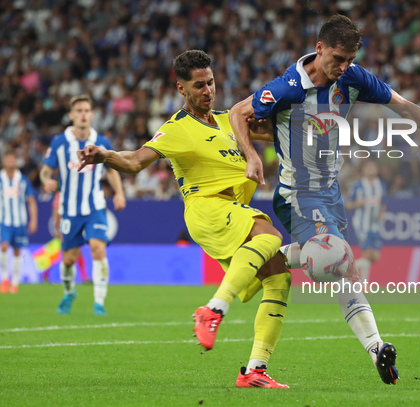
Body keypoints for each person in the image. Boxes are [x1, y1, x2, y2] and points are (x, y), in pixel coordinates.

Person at [229, 14, 420, 385]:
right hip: (298, 196)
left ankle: (376, 349)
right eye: (338, 58)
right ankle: (261, 259)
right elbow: (237, 113)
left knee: (347, 273)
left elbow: (405, 106)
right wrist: (253, 156)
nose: (344, 66)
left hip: (332, 194)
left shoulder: (352, 77)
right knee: (329, 262)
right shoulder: (288, 87)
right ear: (319, 49)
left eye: (350, 59)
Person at [77, 50, 292, 389]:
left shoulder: (228, 121)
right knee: (269, 236)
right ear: (181, 89)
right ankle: (213, 310)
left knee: (279, 276)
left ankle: (254, 370)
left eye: (211, 83)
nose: (208, 91)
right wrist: (104, 155)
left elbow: (281, 130)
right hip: (207, 208)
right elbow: (134, 161)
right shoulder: (177, 129)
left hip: (231, 211)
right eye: (198, 86)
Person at [40, 94, 126, 316]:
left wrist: (119, 192)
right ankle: (69, 292)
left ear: (92, 115)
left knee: (98, 249)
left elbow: (112, 169)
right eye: (78, 111)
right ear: (71, 115)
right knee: (68, 260)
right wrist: (45, 180)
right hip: (69, 210)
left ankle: (99, 303)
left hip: (95, 207)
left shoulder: (102, 142)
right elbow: (46, 169)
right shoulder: (60, 142)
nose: (83, 115)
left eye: (87, 110)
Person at [0, 151, 38, 294]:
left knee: (17, 251)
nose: (9, 162)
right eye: (7, 159)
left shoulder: (22, 180)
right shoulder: (0, 179)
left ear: (16, 162)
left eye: (12, 159)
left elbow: (31, 200)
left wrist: (33, 220)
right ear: (4, 161)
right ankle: (4, 278)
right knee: (3, 246)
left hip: (20, 222)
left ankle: (14, 281)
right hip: (4, 221)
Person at [345, 160, 386, 283]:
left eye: (373, 167)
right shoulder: (358, 186)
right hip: (362, 224)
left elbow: (383, 202)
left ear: (377, 169)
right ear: (363, 170)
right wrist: (358, 203)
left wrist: (382, 213)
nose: (370, 169)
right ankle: (364, 283)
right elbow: (348, 204)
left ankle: (348, 269)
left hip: (375, 225)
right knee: (367, 253)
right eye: (368, 167)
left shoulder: (381, 185)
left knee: (375, 257)